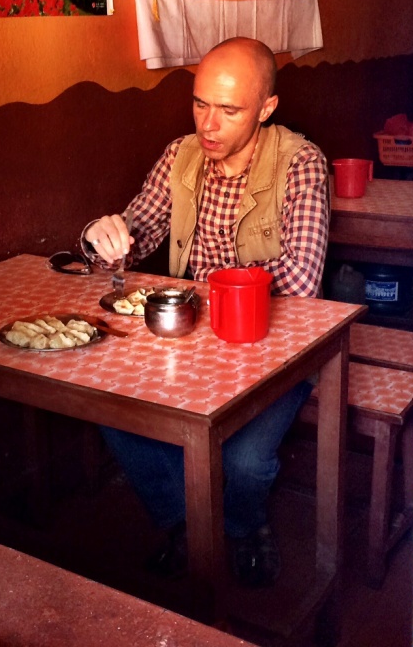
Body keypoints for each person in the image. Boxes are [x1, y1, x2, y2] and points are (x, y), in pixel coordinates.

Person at [80, 37, 329, 588]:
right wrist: (102, 238)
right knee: (109, 407)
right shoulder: (181, 155)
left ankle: (244, 525)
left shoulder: (301, 163)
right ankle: (186, 525)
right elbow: (135, 233)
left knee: (243, 461)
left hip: (272, 349)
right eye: (199, 104)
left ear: (266, 108)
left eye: (229, 110)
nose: (208, 125)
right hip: (192, 342)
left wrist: (196, 293)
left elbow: (302, 282)